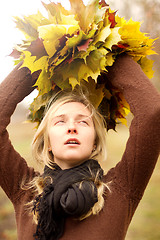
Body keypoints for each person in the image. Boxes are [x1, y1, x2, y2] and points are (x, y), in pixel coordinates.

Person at [0, 54, 160, 240]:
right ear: (48, 142)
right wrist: (35, 61)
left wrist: (107, 52)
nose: (71, 127)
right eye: (60, 122)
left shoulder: (121, 190)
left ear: (94, 142)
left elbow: (151, 114)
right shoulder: (24, 191)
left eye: (83, 122)